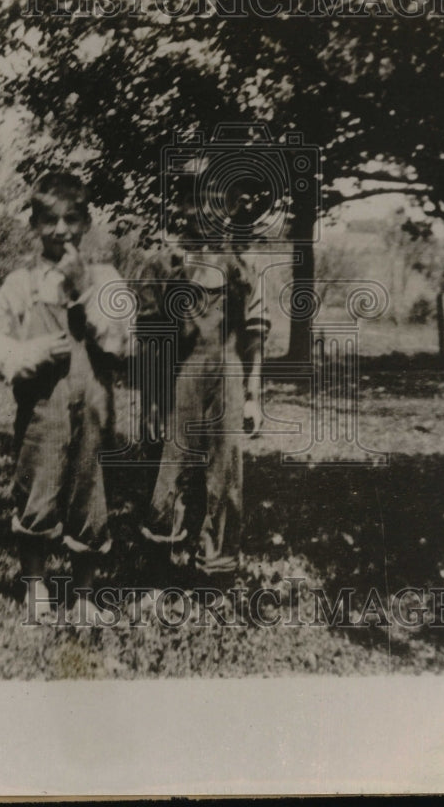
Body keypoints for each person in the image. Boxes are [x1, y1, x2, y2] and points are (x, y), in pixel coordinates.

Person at [0, 171, 129, 625]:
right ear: (33, 225)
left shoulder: (105, 278)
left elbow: (120, 339)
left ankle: (84, 593)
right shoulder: (20, 283)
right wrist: (32, 352)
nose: (61, 230)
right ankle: (36, 587)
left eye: (71, 219)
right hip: (43, 407)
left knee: (90, 494)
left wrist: (84, 285)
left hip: (93, 405)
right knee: (37, 490)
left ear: (86, 222)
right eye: (49, 220)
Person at [135, 172, 268, 586]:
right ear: (179, 208)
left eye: (210, 204)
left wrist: (253, 394)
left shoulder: (243, 265)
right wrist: (152, 400)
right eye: (190, 203)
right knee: (169, 468)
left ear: (227, 209)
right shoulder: (164, 264)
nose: (198, 214)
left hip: (227, 374)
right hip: (180, 377)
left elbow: (253, 334)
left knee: (224, 472)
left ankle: (215, 574)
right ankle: (157, 573)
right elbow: (150, 340)